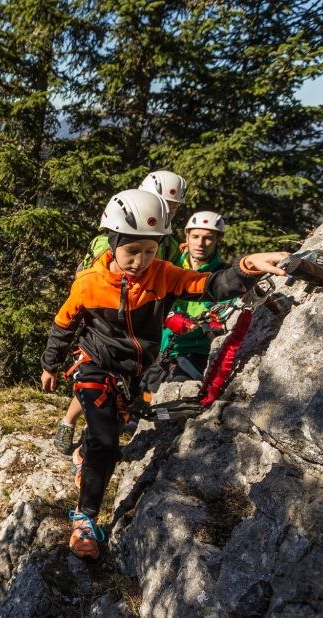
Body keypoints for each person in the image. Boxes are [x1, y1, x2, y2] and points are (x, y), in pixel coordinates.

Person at [40, 189, 289, 560]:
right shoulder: (89, 283)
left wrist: (246, 267)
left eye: (150, 251)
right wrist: (50, 364)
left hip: (137, 371)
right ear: (113, 243)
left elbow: (209, 286)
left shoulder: (163, 274)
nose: (141, 261)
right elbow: (63, 325)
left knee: (107, 430)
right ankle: (85, 519)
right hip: (94, 363)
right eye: (132, 251)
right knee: (107, 438)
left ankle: (88, 459)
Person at [55, 170, 189, 455]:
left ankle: (97, 439)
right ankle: (71, 423)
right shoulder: (113, 238)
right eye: (163, 202)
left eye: (174, 206)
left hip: (144, 318)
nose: (167, 210)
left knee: (122, 384)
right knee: (100, 376)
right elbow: (92, 278)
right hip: (108, 316)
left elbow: (174, 278)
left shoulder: (169, 242)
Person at [157, 211, 230, 380]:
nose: (200, 243)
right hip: (157, 348)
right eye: (195, 236)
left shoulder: (223, 276)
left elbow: (225, 314)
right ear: (187, 236)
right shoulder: (170, 266)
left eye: (208, 238)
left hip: (194, 354)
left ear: (218, 239)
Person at [77, 170, 188, 273]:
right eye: (159, 204)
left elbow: (177, 279)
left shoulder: (170, 246)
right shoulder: (107, 244)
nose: (166, 211)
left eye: (173, 207)